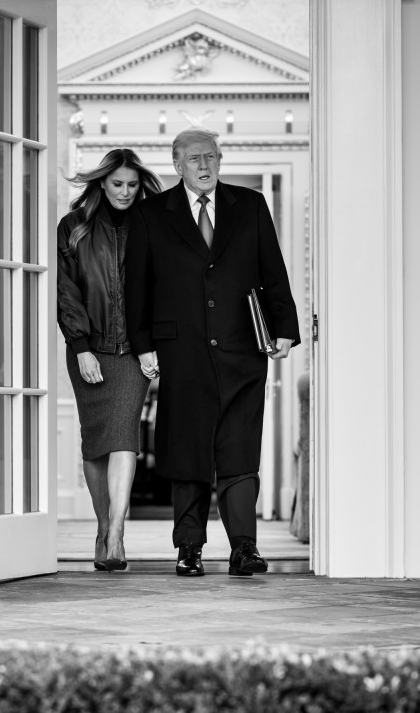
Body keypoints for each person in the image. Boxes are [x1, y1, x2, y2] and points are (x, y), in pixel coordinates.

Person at [125, 129, 300, 578]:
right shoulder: (149, 214)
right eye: (195, 159)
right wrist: (143, 345)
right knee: (188, 451)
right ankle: (189, 548)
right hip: (180, 352)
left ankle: (245, 548)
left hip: (243, 348)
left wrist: (285, 327)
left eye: (211, 157)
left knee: (240, 449)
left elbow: (272, 269)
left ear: (220, 160)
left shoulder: (251, 205)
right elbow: (138, 288)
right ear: (177, 164)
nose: (205, 166)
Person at [57, 149, 163, 572]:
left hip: (135, 352)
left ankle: (117, 531)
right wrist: (81, 346)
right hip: (90, 348)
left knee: (123, 436)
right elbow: (66, 290)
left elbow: (163, 289)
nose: (125, 192)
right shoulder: (76, 226)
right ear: (102, 183)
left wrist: (156, 344)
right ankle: (103, 526)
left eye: (133, 185)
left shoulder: (154, 225)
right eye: (117, 184)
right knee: (96, 442)